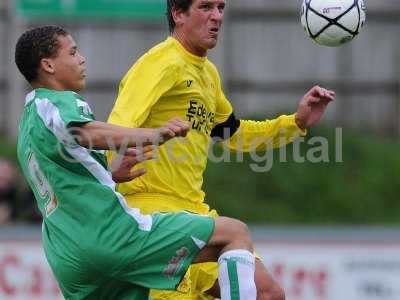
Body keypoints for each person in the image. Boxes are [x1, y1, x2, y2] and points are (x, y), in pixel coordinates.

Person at [14, 25, 269, 300]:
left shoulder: (29, 123)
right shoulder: (55, 103)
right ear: (48, 65)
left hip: (68, 256)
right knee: (233, 234)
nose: (82, 59)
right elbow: (86, 132)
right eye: (73, 52)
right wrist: (153, 134)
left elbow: (64, 181)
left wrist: (111, 174)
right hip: (111, 238)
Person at [107, 0, 335, 299]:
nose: (217, 16)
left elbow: (234, 134)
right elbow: (119, 124)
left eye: (220, 7)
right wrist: (113, 172)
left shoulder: (208, 75)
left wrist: (295, 123)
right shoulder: (161, 62)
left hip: (194, 212)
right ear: (178, 14)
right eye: (205, 7)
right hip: (154, 214)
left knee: (268, 293)